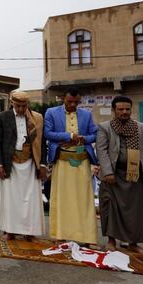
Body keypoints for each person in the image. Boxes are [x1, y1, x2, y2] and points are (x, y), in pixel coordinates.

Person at [96, 95, 143, 253]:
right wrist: (108, 172)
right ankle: (111, 241)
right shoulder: (104, 127)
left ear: (131, 110)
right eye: (120, 109)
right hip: (112, 176)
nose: (124, 112)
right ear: (113, 110)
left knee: (135, 211)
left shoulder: (141, 128)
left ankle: (133, 243)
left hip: (134, 175)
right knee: (110, 208)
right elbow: (101, 151)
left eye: (127, 109)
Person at [44, 87, 98, 245]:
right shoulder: (51, 112)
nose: (73, 105)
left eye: (76, 102)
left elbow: (95, 134)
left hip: (82, 161)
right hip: (62, 161)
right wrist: (69, 136)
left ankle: (86, 237)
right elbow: (48, 133)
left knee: (84, 199)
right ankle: (60, 235)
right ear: (63, 99)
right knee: (61, 199)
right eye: (70, 102)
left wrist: (82, 139)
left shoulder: (87, 115)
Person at [0, 91, 47, 240]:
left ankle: (29, 232)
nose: (21, 109)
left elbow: (41, 142)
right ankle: (10, 231)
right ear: (12, 103)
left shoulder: (37, 118)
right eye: (18, 106)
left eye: (24, 106)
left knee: (30, 200)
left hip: (30, 163)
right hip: (10, 164)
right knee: (11, 200)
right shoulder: (2, 118)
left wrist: (42, 164)